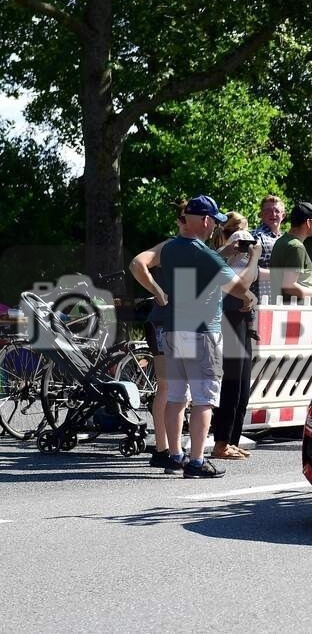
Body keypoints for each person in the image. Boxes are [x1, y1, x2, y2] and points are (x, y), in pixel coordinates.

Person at [160, 195, 258, 478]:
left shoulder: (170, 249)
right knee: (204, 399)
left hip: (174, 328)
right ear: (205, 220)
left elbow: (203, 269)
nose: (215, 226)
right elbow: (239, 287)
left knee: (177, 397)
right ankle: (196, 460)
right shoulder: (204, 254)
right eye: (214, 221)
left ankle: (174, 454)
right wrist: (252, 259)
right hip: (203, 331)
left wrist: (224, 254)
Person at [128, 201, 186, 470]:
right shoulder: (170, 246)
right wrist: (158, 292)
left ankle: (166, 448)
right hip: (164, 322)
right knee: (169, 388)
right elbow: (137, 263)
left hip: (175, 323)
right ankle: (166, 449)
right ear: (181, 221)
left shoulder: (194, 248)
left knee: (170, 387)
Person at [210, 213, 260, 460]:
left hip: (239, 318)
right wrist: (254, 257)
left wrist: (252, 296)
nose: (244, 240)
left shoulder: (229, 253)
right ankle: (221, 442)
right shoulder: (226, 254)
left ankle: (231, 439)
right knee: (232, 383)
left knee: (241, 383)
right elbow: (244, 282)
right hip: (229, 317)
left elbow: (249, 287)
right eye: (240, 235)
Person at [269, 201, 312, 301]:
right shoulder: (296, 247)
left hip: (284, 309)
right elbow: (289, 287)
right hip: (296, 312)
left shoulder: (281, 241)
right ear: (309, 223)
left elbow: (304, 281)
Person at [251, 195, 285, 304]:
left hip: (281, 302)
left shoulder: (285, 239)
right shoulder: (256, 237)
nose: (273, 214)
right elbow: (246, 270)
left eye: (277, 211)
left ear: (283, 215)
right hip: (259, 303)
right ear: (261, 215)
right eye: (268, 211)